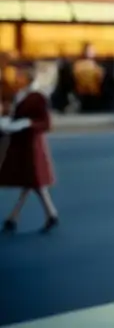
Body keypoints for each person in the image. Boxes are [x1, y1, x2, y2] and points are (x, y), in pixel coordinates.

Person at [1, 63, 59, 234]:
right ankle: (19, 216)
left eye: (22, 74)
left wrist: (27, 123)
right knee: (31, 181)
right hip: (22, 144)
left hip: (32, 146)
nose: (19, 77)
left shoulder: (38, 97)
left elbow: (46, 124)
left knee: (33, 181)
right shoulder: (21, 94)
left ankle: (18, 217)